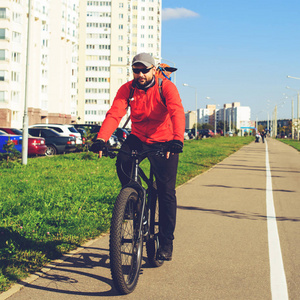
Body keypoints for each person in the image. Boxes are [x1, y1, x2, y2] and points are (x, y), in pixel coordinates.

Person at [91, 53, 185, 261]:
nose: (140, 74)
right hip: (139, 137)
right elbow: (115, 113)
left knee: (166, 192)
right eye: (136, 70)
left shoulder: (166, 87)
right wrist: (102, 139)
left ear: (154, 70)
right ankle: (133, 202)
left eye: (144, 70)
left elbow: (177, 111)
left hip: (165, 139)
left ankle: (166, 242)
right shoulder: (128, 89)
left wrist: (177, 139)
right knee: (122, 162)